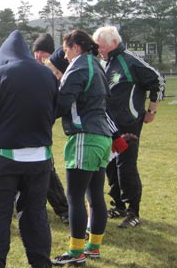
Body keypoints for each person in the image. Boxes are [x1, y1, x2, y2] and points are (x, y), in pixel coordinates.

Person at [0, 30, 57, 268]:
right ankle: (41, 263)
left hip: (5, 158)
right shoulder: (47, 74)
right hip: (40, 158)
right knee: (35, 216)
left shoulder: (1, 74)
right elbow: (54, 110)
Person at [93, 26, 164, 228]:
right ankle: (119, 205)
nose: (100, 49)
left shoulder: (129, 60)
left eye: (102, 46)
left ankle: (133, 211)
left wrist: (151, 111)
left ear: (114, 42)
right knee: (109, 164)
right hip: (107, 124)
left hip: (129, 122)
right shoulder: (103, 61)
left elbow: (158, 80)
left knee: (126, 165)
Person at [51, 30, 112, 266]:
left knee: (74, 197)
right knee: (95, 195)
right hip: (102, 137)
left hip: (85, 137)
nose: (65, 57)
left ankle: (76, 253)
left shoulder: (78, 66)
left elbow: (62, 101)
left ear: (75, 47)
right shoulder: (96, 65)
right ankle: (93, 248)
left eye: (65, 51)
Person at [31, 36, 70, 225]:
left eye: (43, 51)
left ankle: (64, 209)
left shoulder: (56, 72)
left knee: (46, 169)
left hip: (42, 127)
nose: (39, 55)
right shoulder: (28, 69)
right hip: (26, 125)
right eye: (36, 51)